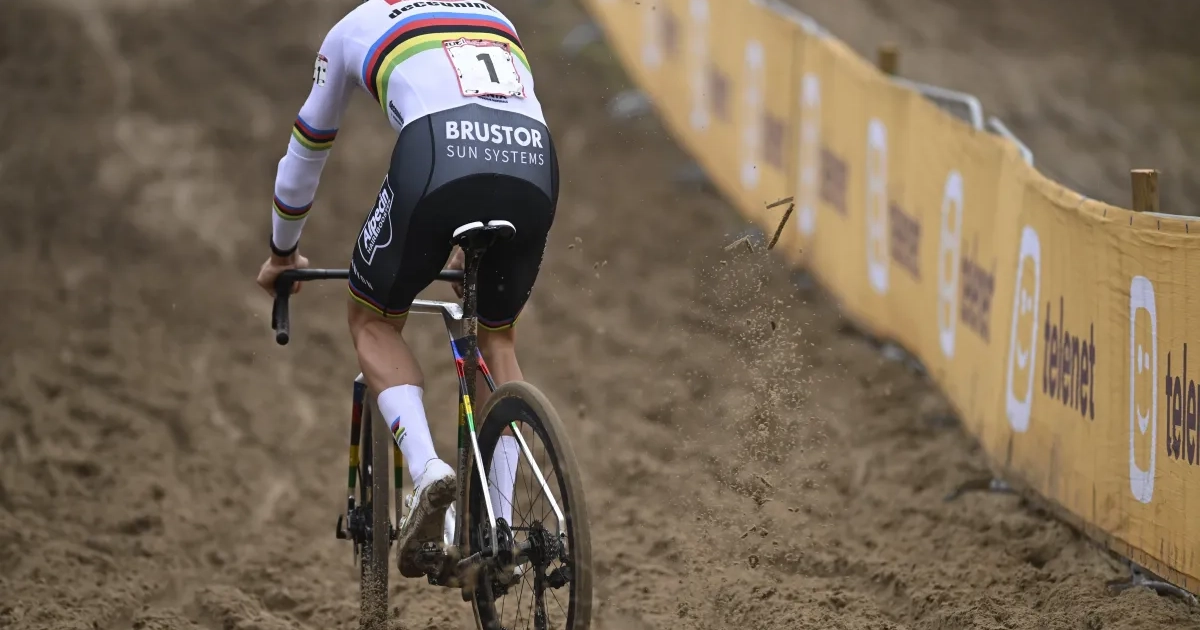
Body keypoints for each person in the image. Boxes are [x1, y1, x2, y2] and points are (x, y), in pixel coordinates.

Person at [254, 0, 558, 578]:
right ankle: (497, 522)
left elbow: (306, 149)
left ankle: (426, 471)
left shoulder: (354, 27)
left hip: (438, 155)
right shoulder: (495, 16)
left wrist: (282, 251)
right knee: (497, 338)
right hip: (533, 160)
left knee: (372, 318)